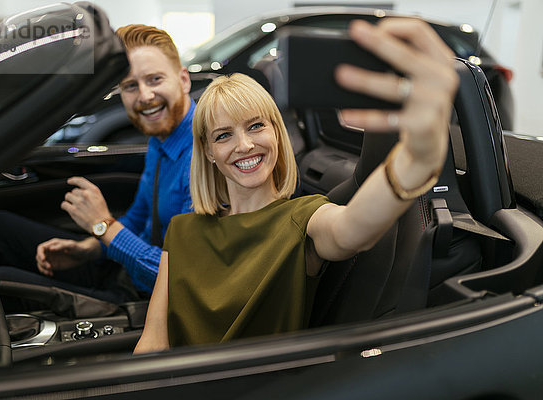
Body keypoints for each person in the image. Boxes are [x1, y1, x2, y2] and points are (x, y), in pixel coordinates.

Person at [133, 18, 458, 353]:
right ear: (209, 152)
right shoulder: (182, 230)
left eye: (256, 126)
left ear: (277, 132)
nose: (244, 145)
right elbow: (153, 341)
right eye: (224, 135)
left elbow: (354, 229)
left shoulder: (303, 217)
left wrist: (417, 157)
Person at [0, 24, 195, 307]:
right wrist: (87, 249)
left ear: (184, 80)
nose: (144, 96)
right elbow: (139, 218)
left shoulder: (202, 158)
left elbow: (180, 278)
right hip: (122, 267)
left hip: (145, 298)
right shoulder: (161, 135)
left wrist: (102, 227)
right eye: (130, 85)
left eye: (154, 79)